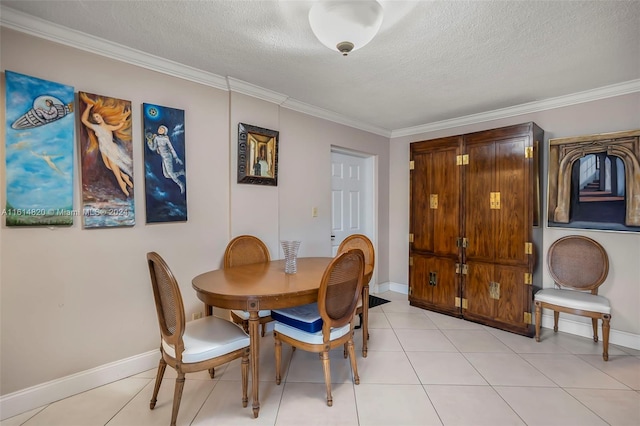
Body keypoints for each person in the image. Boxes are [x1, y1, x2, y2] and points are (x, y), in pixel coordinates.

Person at [80, 92, 133, 196]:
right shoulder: (96, 127)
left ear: (101, 116)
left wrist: (123, 119)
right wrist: (88, 107)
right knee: (109, 167)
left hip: (111, 148)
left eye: (97, 116)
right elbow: (83, 120)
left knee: (113, 164)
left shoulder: (108, 127)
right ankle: (124, 176)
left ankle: (121, 182)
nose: (96, 118)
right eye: (95, 118)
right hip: (103, 149)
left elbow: (119, 126)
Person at [146, 125, 185, 193]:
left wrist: (176, 157)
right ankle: (181, 172)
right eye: (159, 128)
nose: (160, 129)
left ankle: (181, 184)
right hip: (163, 157)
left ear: (165, 131)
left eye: (162, 129)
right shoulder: (156, 138)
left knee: (170, 173)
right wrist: (149, 141)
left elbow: (171, 148)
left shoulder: (166, 139)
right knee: (166, 175)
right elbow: (153, 148)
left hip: (168, 156)